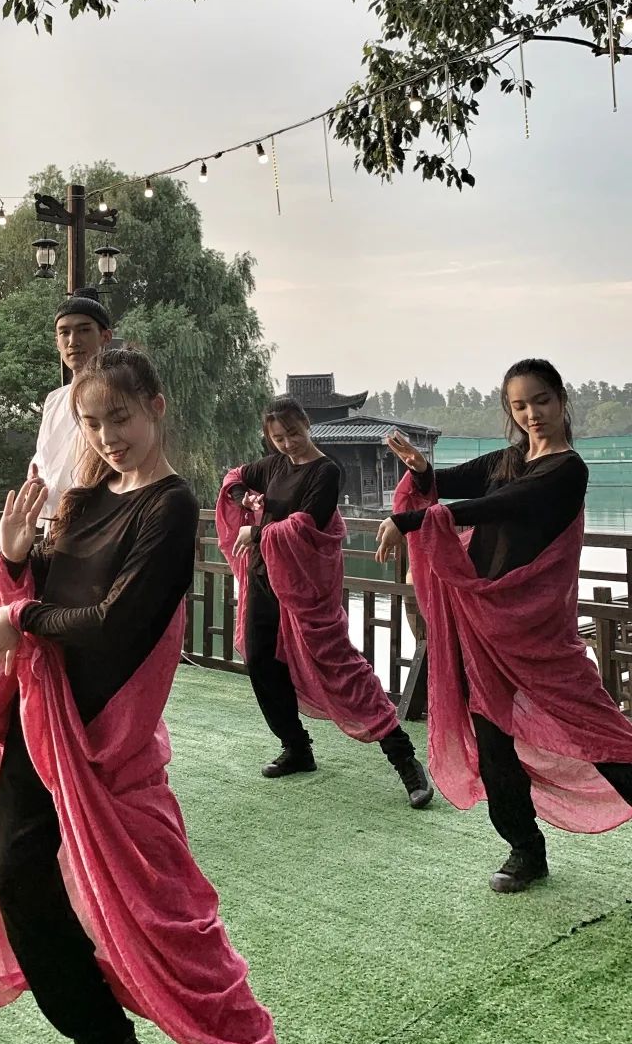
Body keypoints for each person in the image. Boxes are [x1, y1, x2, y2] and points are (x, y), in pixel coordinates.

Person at [0, 349, 276, 1044]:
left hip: (106, 733)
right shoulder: (86, 498)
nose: (108, 437)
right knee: (17, 880)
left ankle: (234, 1033)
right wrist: (14, 558)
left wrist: (21, 616)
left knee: (160, 910)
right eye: (93, 423)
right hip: (44, 719)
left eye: (120, 417)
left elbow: (114, 620)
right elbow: (49, 587)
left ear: (156, 408)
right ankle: (104, 1038)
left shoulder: (170, 506)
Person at [377, 357, 632, 892]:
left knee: (601, 736)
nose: (532, 414)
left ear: (562, 401)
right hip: (486, 626)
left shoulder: (568, 469)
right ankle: (525, 852)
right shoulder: (511, 458)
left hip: (539, 632)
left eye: (541, 400)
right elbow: (447, 483)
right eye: (520, 406)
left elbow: (498, 506)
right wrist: (421, 472)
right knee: (494, 746)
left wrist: (411, 520)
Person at [215, 396, 432, 809]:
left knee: (342, 668)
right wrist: (244, 498)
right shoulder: (273, 465)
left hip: (306, 588)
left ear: (306, 424)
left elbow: (307, 525)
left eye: (292, 433)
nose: (287, 443)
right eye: (278, 438)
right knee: (261, 663)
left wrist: (257, 532)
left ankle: (405, 760)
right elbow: (235, 477)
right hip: (264, 580)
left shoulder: (326, 471)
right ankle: (296, 746)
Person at [28, 288, 113, 528]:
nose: (73, 341)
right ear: (57, 342)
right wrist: (38, 484)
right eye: (64, 332)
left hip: (101, 519)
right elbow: (43, 460)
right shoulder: (54, 400)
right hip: (56, 521)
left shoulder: (117, 396)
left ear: (105, 336)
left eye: (84, 330)